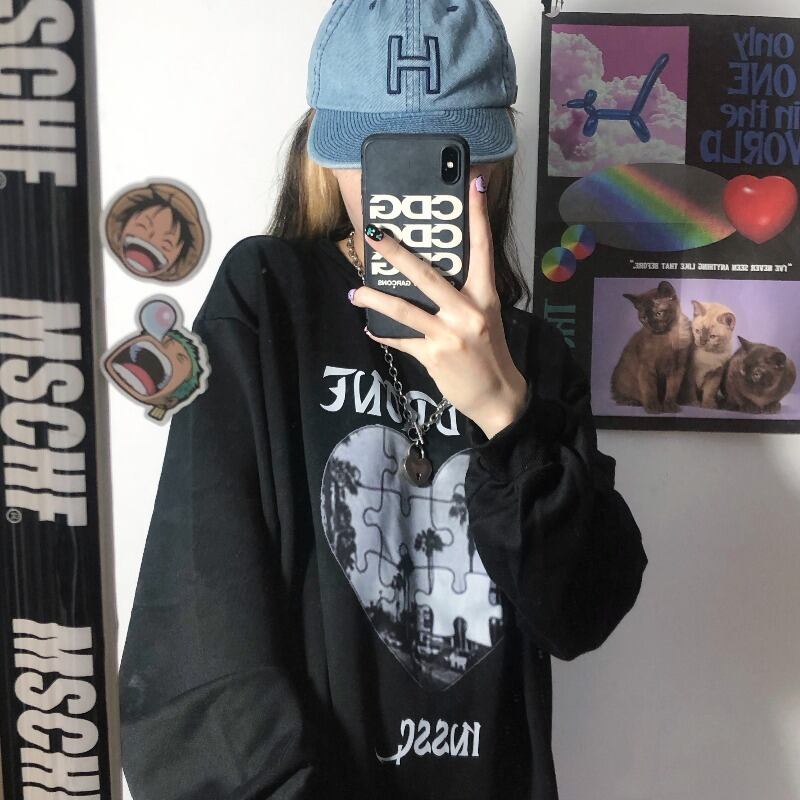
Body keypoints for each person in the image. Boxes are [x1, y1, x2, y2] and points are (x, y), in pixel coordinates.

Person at [118, 1, 648, 798]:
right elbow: (196, 623)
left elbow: (581, 613)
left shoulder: (535, 356)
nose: (406, 190)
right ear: (323, 156)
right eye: (376, 155)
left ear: (491, 161)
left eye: (444, 154)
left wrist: (505, 414)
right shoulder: (267, 300)